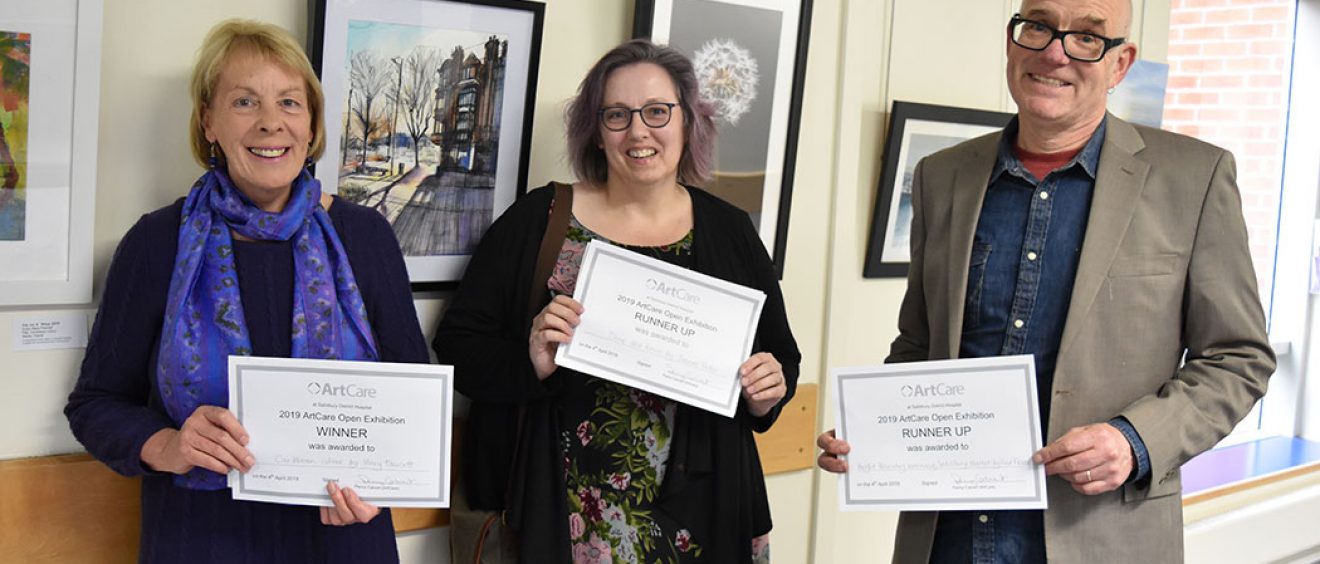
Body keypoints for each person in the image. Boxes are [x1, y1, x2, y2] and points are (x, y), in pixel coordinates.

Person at [816, 0, 1275, 562]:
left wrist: (1134, 442)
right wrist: (880, 433)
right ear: (1013, 41)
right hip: (946, 537)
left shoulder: (1195, 179)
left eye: (1088, 37)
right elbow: (919, 347)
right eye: (1038, 26)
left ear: (1121, 63)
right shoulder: (941, 176)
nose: (1055, 51)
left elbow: (1238, 358)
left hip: (1104, 535)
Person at [64, 19, 428, 563]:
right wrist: (169, 446)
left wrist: (382, 481)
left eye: (288, 102)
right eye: (244, 102)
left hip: (342, 536)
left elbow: (411, 395)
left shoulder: (364, 236)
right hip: (203, 538)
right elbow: (95, 403)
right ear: (208, 121)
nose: (269, 123)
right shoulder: (156, 243)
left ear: (311, 126)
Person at [433, 39, 800, 563]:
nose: (638, 131)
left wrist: (767, 391)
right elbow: (458, 346)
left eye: (657, 111)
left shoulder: (730, 230)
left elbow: (779, 355)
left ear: (687, 122)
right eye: (617, 115)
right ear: (596, 131)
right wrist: (530, 360)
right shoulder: (541, 219)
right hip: (565, 517)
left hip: (703, 516)